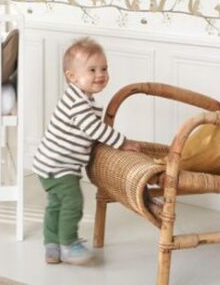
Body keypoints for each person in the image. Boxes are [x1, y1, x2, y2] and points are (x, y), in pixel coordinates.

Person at [33, 37, 140, 265]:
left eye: (104, 68)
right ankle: (69, 244)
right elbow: (93, 129)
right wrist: (121, 142)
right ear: (72, 76)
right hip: (59, 166)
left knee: (56, 204)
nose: (100, 74)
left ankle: (51, 246)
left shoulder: (79, 97)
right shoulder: (78, 102)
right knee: (73, 203)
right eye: (92, 70)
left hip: (47, 163)